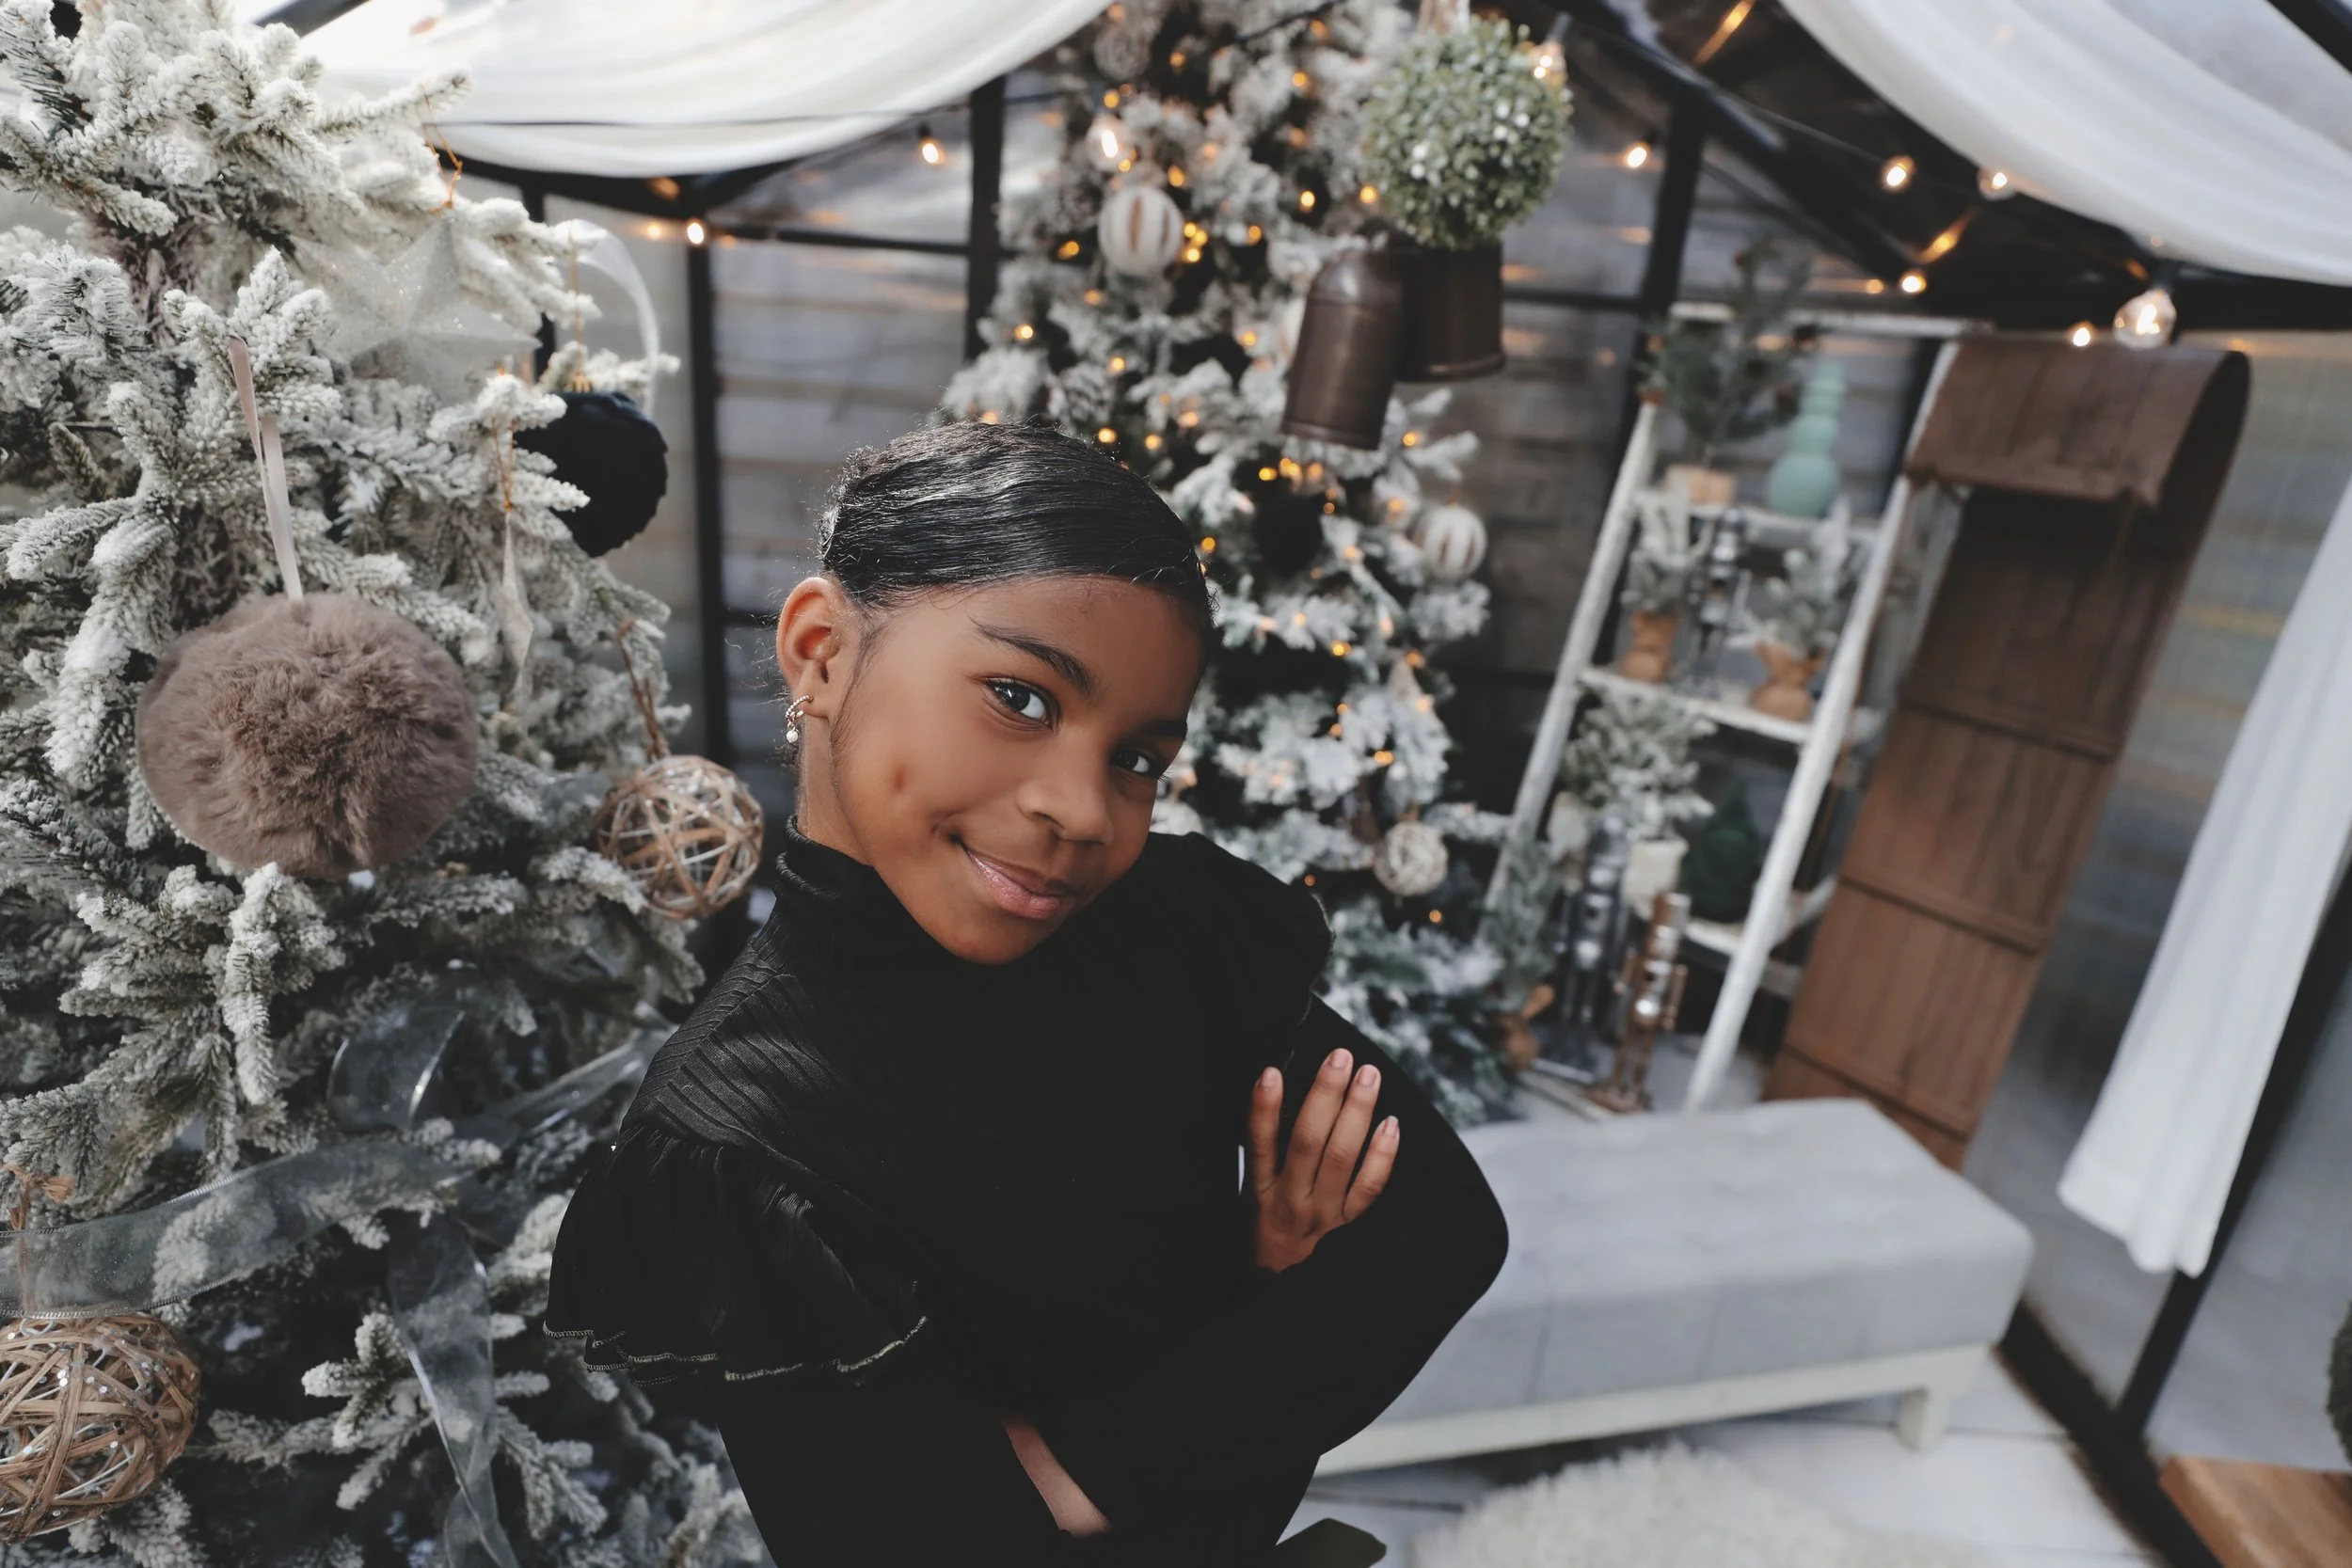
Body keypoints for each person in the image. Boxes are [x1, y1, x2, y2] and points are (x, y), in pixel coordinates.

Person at [544, 420, 1509, 1565]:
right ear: (818, 651)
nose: (1087, 811)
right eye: (1024, 696)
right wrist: (1268, 1308)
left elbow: (1446, 1230)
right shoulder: (741, 1144)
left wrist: (1069, 1464)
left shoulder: (1167, 929)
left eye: (1138, 758)